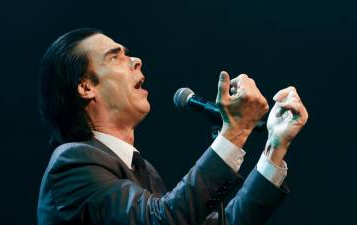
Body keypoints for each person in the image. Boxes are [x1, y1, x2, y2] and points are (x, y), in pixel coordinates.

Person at [37, 28, 308, 225]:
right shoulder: (72, 163)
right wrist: (235, 131)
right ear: (85, 87)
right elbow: (163, 220)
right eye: (114, 57)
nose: (135, 60)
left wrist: (275, 146)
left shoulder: (142, 170)